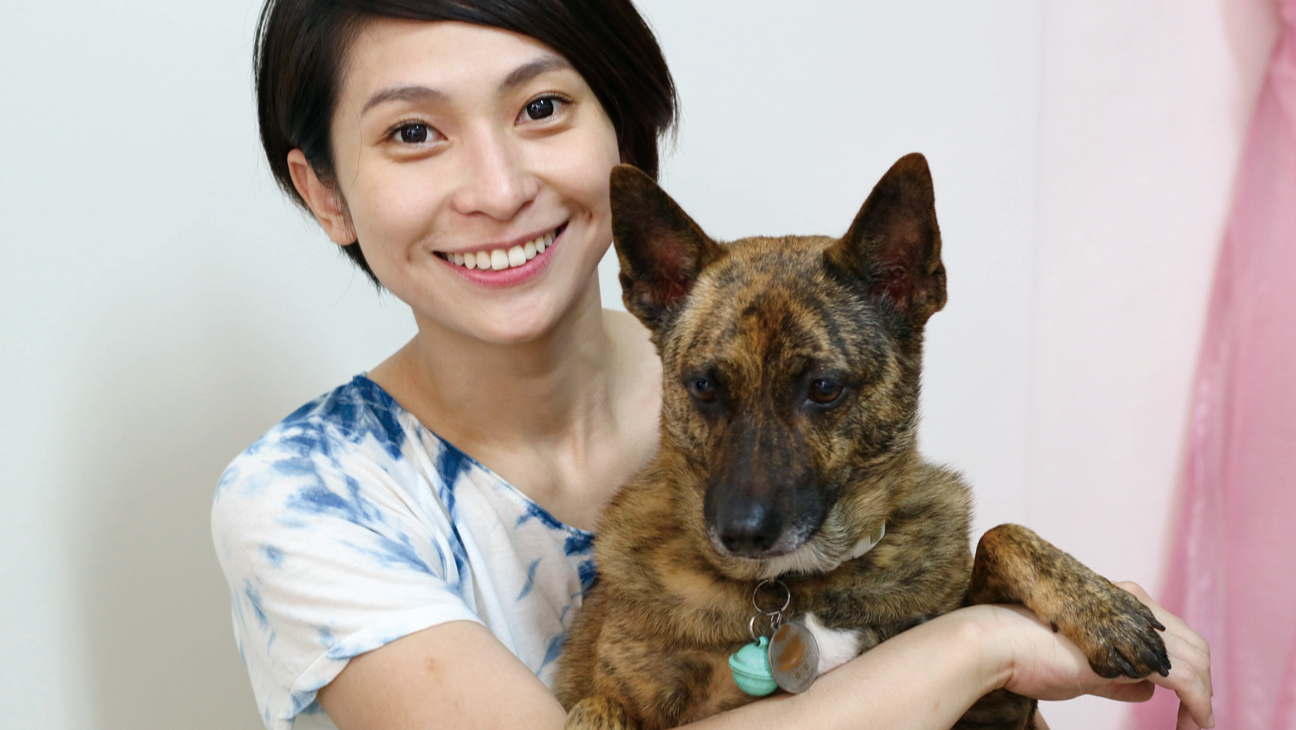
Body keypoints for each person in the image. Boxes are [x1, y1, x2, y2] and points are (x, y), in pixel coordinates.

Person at [211, 1, 1215, 729]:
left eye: (542, 108)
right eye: (413, 131)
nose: (497, 188)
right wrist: (982, 641)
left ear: (623, 129)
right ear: (326, 193)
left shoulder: (773, 350)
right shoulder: (306, 500)